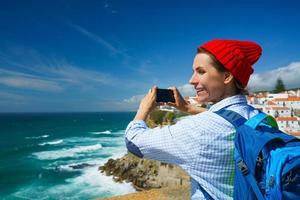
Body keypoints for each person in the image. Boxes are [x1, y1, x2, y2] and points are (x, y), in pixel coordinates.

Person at [125, 39, 262, 199]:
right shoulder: (258, 117)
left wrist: (144, 108)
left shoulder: (198, 130)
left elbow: (133, 142)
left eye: (201, 71)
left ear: (226, 76)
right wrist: (187, 108)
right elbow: (229, 119)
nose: (191, 80)